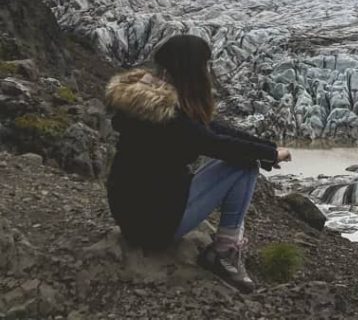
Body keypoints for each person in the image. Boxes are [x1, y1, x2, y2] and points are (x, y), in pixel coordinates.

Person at [104, 33, 291, 291]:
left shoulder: (151, 102)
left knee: (246, 156)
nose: (208, 71)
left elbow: (211, 129)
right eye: (205, 65)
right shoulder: (172, 120)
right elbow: (217, 144)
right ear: (193, 70)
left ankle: (222, 249)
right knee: (245, 165)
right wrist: (267, 155)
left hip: (132, 216)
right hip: (155, 226)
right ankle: (224, 253)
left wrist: (268, 149)